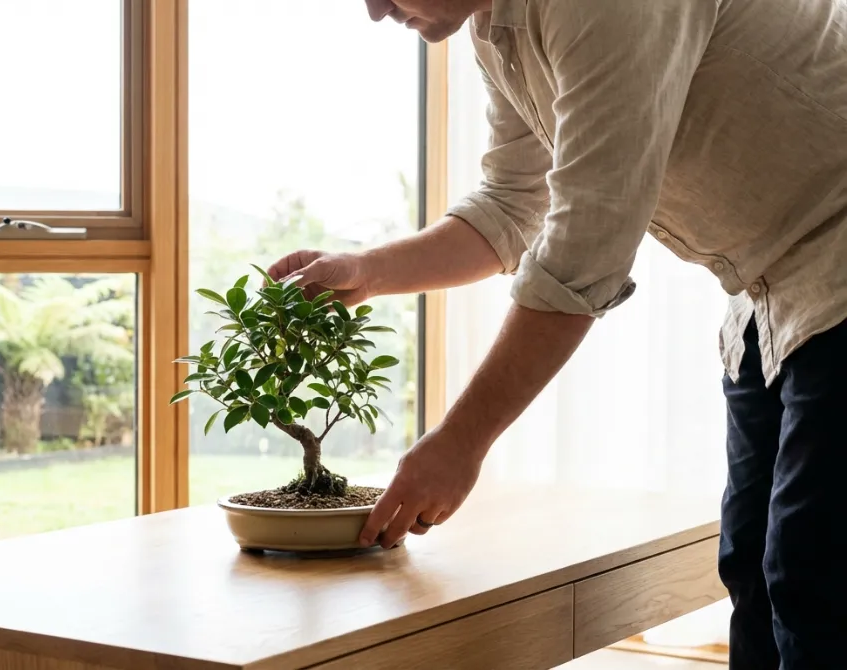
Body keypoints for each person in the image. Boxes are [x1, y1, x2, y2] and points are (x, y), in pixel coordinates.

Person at [267, 0, 847, 667]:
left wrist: (461, 442)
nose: (374, 10)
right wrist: (368, 273)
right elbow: (514, 204)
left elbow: (583, 248)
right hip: (767, 298)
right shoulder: (495, 26)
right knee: (754, 574)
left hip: (834, 261)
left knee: (815, 579)